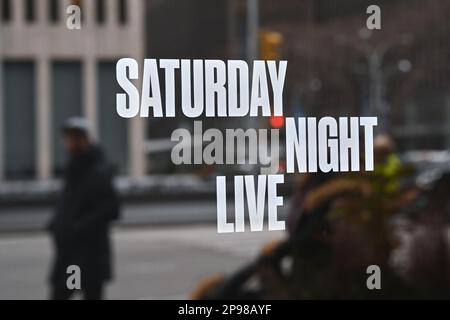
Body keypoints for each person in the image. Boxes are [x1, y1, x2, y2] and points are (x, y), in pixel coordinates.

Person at [47, 117, 120, 300]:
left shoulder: (98, 170)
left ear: (84, 140)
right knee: (62, 293)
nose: (68, 143)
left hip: (88, 255)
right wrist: (56, 224)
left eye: (73, 138)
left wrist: (78, 227)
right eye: (68, 138)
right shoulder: (74, 166)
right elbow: (69, 203)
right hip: (71, 253)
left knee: (80, 293)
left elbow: (112, 208)